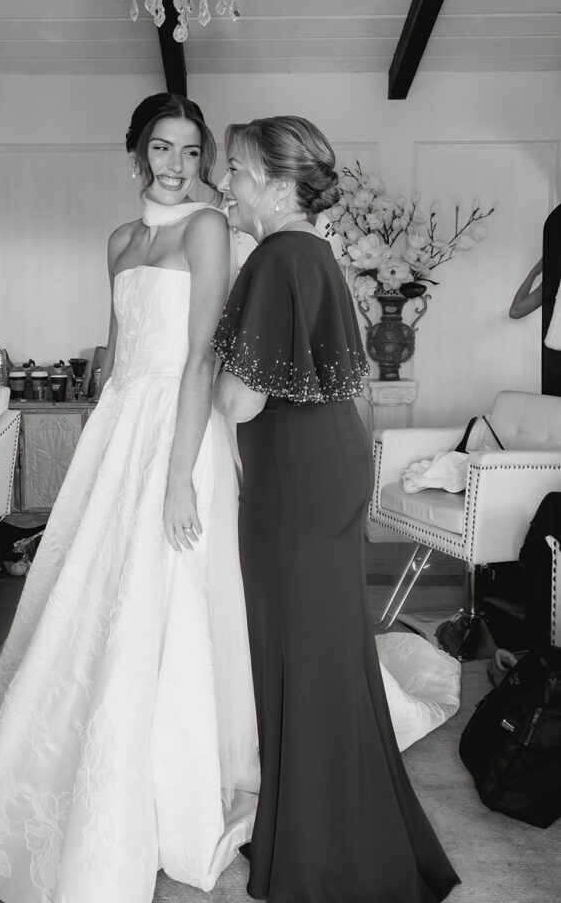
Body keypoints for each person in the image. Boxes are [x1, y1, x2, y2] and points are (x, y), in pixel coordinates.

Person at [0, 93, 260, 903]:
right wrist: (96, 455)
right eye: (161, 149)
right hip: (119, 430)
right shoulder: (120, 240)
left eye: (191, 151)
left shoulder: (208, 229)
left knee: (167, 592)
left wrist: (179, 472)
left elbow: (197, 359)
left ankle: (164, 780)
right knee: (94, 594)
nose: (177, 166)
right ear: (138, 155)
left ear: (204, 157)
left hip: (178, 435)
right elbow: (116, 359)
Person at [211, 116, 460, 903]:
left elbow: (241, 401)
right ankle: (319, 837)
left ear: (280, 185)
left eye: (238, 172)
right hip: (325, 467)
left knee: (298, 660)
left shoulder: (274, 258)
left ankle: (323, 858)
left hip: (291, 479)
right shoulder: (312, 254)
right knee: (322, 658)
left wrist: (198, 375)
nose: (225, 185)